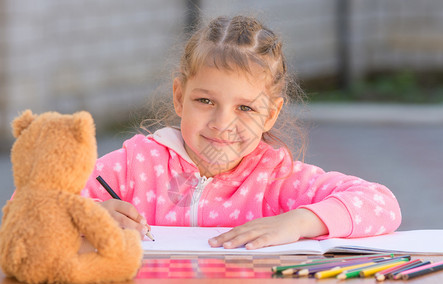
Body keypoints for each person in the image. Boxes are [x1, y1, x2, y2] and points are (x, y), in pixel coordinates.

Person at [82, 15, 401, 250]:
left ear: (270, 115)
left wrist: (299, 222)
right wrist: (91, 213)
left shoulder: (277, 180)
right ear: (179, 97)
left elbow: (381, 204)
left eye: (245, 108)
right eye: (205, 101)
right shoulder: (134, 166)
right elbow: (43, 202)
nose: (222, 123)